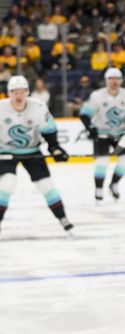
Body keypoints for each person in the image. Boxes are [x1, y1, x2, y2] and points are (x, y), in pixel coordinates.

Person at [0, 75, 71, 235]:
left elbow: (49, 131)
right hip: (5, 152)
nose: (19, 96)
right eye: (15, 92)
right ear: (9, 93)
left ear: (27, 92)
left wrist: (55, 148)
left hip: (32, 152)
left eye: (22, 92)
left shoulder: (38, 107)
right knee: (7, 184)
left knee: (46, 186)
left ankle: (63, 219)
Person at [79, 67, 125, 202]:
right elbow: (84, 114)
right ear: (106, 81)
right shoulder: (97, 95)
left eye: (117, 79)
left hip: (120, 134)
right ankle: (99, 189)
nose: (114, 82)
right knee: (102, 162)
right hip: (101, 134)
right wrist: (90, 128)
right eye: (111, 79)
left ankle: (114, 183)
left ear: (121, 81)